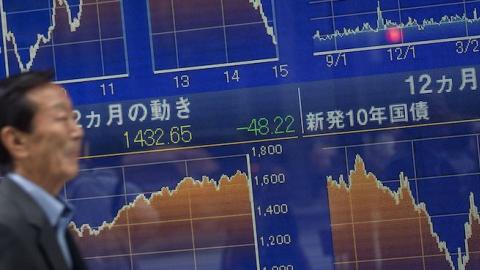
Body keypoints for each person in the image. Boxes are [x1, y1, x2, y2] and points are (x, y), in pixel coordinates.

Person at [0, 71, 86, 270]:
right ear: (16, 141)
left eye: (74, 118)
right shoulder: (6, 227)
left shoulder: (51, 217)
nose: (77, 131)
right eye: (61, 118)